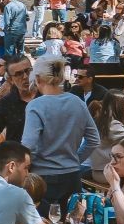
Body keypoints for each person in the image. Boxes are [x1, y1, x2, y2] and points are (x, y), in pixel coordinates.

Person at [21, 56, 100, 211]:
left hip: (43, 175)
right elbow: (94, 139)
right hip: (72, 174)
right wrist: (75, 159)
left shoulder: (36, 106)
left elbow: (28, 145)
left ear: (37, 78)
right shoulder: (77, 102)